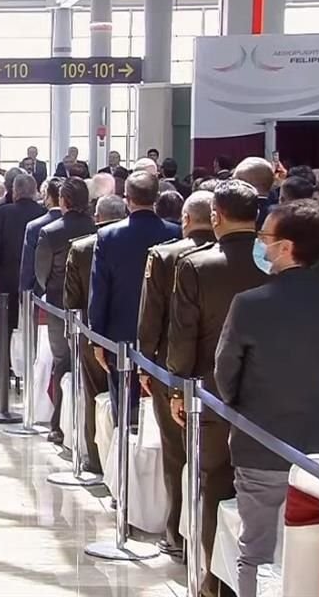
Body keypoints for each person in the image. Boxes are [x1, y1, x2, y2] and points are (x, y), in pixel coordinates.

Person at [216, 200, 319, 597]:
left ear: (286, 247)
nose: (261, 245)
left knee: (257, 552)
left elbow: (226, 375)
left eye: (265, 238)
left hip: (262, 445)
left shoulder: (250, 304)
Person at [165, 179, 270, 597]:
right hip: (268, 395)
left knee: (214, 483)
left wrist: (177, 388)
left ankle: (211, 579)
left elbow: (183, 336)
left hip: (211, 394)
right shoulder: (274, 260)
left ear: (215, 217)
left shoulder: (196, 265)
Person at [136, 190, 216, 561]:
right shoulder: (249, 257)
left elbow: (151, 318)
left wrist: (145, 363)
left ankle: (177, 532)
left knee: (176, 455)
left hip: (175, 373)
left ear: (186, 219)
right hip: (225, 375)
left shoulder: (165, 255)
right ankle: (211, 543)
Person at [89, 171, 180, 426]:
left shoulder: (108, 236)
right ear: (156, 197)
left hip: (120, 331)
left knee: (124, 403)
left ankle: (125, 459)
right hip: (166, 332)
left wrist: (97, 336)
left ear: (126, 199)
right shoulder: (176, 233)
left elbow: (100, 288)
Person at [65, 194, 126, 473]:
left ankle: (95, 459)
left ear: (97, 217)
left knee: (92, 393)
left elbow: (72, 299)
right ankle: (121, 467)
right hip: (134, 335)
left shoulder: (81, 248)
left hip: (92, 333)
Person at [35, 178, 97, 443]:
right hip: (91, 304)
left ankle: (58, 423)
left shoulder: (50, 232)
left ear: (63, 200)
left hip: (59, 304)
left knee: (62, 361)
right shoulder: (97, 228)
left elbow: (41, 273)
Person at [0, 173, 46, 354]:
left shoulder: (2, 212)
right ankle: (33, 363)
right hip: (36, 279)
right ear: (35, 191)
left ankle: (3, 365)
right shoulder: (43, 214)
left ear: (14, 191)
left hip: (7, 276)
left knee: (5, 323)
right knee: (35, 325)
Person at [20, 177, 64, 296]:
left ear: (47, 197)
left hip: (41, 291)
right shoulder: (81, 224)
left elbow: (28, 266)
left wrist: (24, 293)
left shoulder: (34, 226)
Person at [232, 156, 275, 230]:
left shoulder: (235, 215)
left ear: (245, 185)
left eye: (235, 182)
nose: (231, 186)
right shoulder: (281, 215)